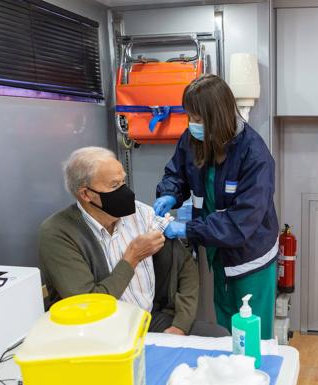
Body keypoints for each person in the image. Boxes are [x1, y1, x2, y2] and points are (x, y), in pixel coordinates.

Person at [154, 74, 279, 339]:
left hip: (250, 257)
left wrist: (187, 230)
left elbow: (241, 221)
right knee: (227, 324)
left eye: (198, 119)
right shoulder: (192, 139)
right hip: (217, 251)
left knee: (253, 331)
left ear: (217, 117)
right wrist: (169, 194)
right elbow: (176, 174)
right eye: (189, 117)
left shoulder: (254, 155)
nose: (192, 125)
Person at [39, 147, 203, 335]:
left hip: (149, 319)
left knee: (218, 336)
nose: (125, 192)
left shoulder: (141, 213)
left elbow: (186, 267)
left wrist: (180, 325)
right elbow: (88, 306)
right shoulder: (58, 233)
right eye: (114, 186)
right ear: (86, 194)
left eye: (123, 181)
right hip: (99, 332)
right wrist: (132, 258)